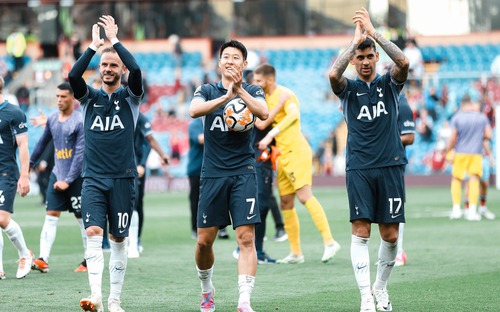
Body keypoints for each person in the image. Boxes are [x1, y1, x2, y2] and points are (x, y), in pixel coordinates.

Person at [328, 7, 410, 311]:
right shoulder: (347, 89)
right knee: (360, 231)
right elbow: (333, 74)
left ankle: (380, 288)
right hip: (360, 168)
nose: (364, 62)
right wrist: (355, 40)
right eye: (359, 58)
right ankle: (365, 297)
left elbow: (403, 61)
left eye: (369, 56)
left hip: (390, 166)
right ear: (354, 60)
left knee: (390, 235)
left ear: (376, 58)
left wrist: (374, 33)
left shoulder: (390, 84)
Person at [68, 15, 143, 312]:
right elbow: (74, 76)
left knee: (119, 239)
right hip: (94, 179)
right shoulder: (88, 98)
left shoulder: (131, 98)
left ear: (120, 69)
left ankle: (115, 300)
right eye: (104, 65)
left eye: (114, 65)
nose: (108, 69)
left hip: (123, 178)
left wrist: (114, 43)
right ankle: (96, 296)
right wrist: (93, 48)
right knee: (93, 234)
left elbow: (136, 69)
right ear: (98, 69)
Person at [189, 39, 268, 312]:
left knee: (246, 238)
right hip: (212, 174)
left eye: (236, 57)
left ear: (245, 64)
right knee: (203, 241)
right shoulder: (206, 89)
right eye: (226, 57)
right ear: (219, 62)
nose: (231, 61)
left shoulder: (254, 89)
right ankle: (206, 289)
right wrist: (225, 98)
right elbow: (193, 110)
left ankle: (244, 301)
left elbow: (262, 112)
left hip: (243, 172)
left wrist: (239, 92)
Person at [253, 63, 341, 265]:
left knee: (304, 196)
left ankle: (330, 242)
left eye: (259, 81)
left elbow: (294, 115)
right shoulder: (266, 99)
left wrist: (270, 136)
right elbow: (261, 123)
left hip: (296, 152)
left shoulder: (286, 94)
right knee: (285, 202)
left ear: (270, 80)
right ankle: (296, 252)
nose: (256, 84)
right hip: (282, 156)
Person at [29, 83, 87, 273]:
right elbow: (42, 143)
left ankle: (88, 261)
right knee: (51, 215)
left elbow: (79, 156)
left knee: (82, 218)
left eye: (63, 96)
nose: (59, 100)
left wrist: (68, 180)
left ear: (73, 98)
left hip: (76, 178)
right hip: (57, 175)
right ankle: (43, 259)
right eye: (57, 96)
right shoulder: (53, 118)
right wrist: (29, 164)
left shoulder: (79, 121)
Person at [0, 76, 34, 280]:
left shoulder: (13, 112)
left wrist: (24, 175)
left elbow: (23, 146)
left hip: (6, 172)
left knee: (2, 219)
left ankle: (24, 254)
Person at [445, 95, 492, 221]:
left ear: (462, 104)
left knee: (456, 179)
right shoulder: (481, 117)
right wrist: (478, 139)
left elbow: (453, 137)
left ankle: (456, 210)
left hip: (460, 152)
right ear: (470, 104)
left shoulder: (457, 117)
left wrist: (447, 150)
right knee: (474, 180)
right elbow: (489, 134)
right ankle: (472, 211)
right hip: (476, 153)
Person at [128, 112, 169, 258]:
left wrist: (143, 163)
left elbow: (149, 140)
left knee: (136, 203)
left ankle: (135, 241)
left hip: (136, 166)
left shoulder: (140, 117)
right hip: (118, 164)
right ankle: (112, 240)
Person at [394, 92, 415, 267]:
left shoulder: (403, 105)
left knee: (396, 207)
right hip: (381, 161)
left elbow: (409, 137)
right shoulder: (385, 102)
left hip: (395, 162)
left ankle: (399, 252)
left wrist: (385, 143)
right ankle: (394, 252)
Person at [187, 117, 204, 240]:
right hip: (196, 168)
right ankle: (195, 228)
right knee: (195, 200)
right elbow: (200, 139)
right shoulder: (195, 124)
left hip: (214, 168)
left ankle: (221, 227)